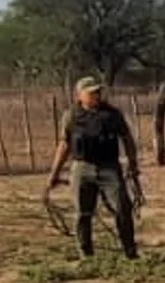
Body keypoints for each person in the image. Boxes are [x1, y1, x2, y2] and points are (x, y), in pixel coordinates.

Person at [44, 76, 141, 260]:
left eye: (98, 91)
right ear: (80, 95)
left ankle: (130, 252)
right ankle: (86, 255)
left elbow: (127, 139)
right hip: (82, 168)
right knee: (83, 212)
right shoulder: (71, 115)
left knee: (122, 207)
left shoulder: (112, 115)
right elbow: (64, 145)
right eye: (92, 92)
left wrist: (133, 166)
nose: (97, 95)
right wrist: (54, 175)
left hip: (109, 167)